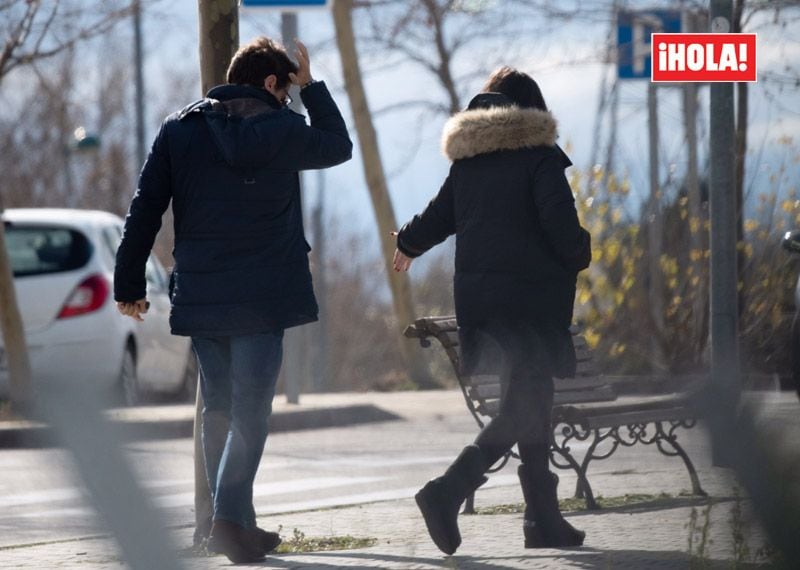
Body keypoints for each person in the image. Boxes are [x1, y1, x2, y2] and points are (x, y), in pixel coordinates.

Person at [114, 37, 352, 564]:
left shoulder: (179, 130)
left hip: (202, 293)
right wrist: (312, 87)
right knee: (251, 413)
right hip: (263, 297)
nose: (289, 100)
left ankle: (237, 525)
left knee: (219, 408)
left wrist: (128, 283)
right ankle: (226, 519)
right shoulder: (286, 130)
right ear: (271, 83)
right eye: (287, 90)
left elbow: (145, 207)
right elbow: (338, 145)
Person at [393, 67, 591, 555]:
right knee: (523, 407)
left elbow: (438, 217)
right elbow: (563, 231)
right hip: (530, 303)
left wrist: (407, 242)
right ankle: (446, 491)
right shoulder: (540, 159)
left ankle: (542, 520)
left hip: (484, 305)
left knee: (533, 401)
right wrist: (581, 251)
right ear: (534, 111)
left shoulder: (469, 163)